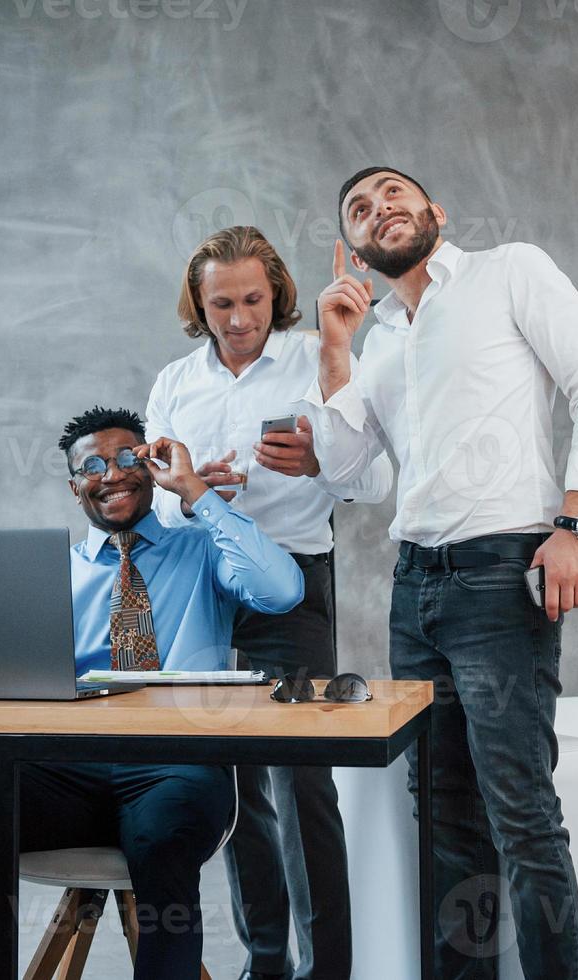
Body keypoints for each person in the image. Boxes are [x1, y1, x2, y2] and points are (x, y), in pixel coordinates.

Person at [304, 167, 578, 979]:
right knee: (444, 814)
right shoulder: (378, 344)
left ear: (433, 212)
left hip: (499, 576)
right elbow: (349, 476)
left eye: (392, 193)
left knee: (520, 814)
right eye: (357, 209)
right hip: (413, 587)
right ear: (350, 248)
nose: (378, 208)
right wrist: (335, 349)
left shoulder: (509, 271)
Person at [0, 407, 305, 980]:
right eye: (92, 466)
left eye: (127, 458)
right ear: (75, 489)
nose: (111, 474)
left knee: (163, 840)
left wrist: (195, 490)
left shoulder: (203, 549)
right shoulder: (47, 573)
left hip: (176, 769)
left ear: (151, 467)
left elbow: (283, 590)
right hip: (67, 770)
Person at [147, 225, 391, 980]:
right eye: (221, 302)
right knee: (233, 786)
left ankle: (327, 972)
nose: (239, 317)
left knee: (302, 781)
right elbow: (154, 506)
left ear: (275, 293)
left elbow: (373, 484)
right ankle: (265, 962)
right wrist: (191, 495)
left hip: (291, 588)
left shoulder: (316, 361)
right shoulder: (173, 382)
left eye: (252, 299)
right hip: (203, 590)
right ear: (198, 302)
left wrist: (320, 458)